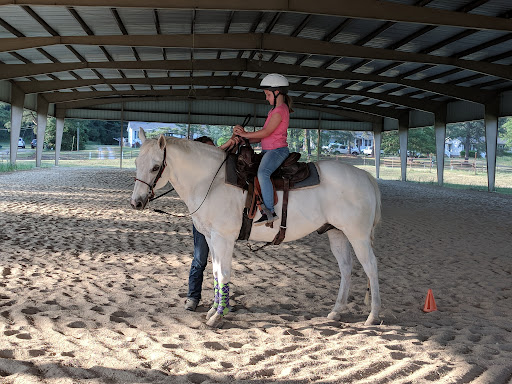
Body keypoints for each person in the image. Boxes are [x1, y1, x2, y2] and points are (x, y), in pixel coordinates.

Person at [185, 135, 239, 311]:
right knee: (200, 259)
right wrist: (229, 142)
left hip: (216, 218)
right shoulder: (198, 170)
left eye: (213, 147)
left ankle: (221, 299)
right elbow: (216, 153)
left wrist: (232, 144)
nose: (212, 150)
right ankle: (193, 297)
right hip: (203, 219)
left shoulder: (214, 167)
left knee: (219, 260)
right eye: (208, 148)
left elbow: (219, 155)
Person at [233, 73, 293, 226]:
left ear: (277, 92)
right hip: (269, 150)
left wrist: (246, 133)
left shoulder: (280, 110)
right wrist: (244, 139)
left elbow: (266, 133)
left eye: (267, 94)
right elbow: (261, 137)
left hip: (277, 150)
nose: (266, 98)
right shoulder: (273, 111)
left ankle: (269, 212)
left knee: (262, 173)